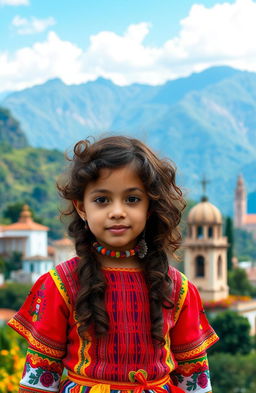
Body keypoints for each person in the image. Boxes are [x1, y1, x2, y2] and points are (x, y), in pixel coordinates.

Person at [8, 136, 218, 393]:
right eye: (102, 200)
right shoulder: (60, 285)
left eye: (132, 199)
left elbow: (195, 381)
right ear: (81, 208)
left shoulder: (178, 289)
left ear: (149, 207)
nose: (117, 211)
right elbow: (38, 382)